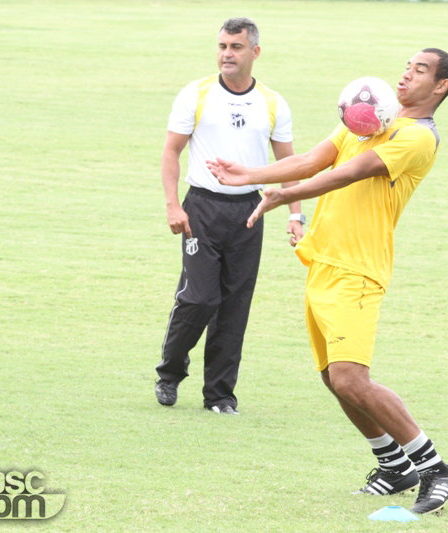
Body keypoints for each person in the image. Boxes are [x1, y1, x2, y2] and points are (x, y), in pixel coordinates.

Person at [207, 48, 448, 512]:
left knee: (351, 379)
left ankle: (436, 469)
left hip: (357, 271)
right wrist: (251, 175)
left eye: (420, 71)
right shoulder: (368, 118)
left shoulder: (419, 138)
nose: (406, 75)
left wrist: (284, 197)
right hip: (323, 264)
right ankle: (393, 464)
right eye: (406, 66)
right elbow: (313, 158)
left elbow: (348, 173)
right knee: (332, 378)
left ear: (440, 86)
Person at [155, 18, 305, 415]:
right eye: (222, 46)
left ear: (254, 52)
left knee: (235, 304)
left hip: (248, 212)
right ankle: (170, 371)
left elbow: (288, 164)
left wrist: (296, 215)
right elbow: (171, 151)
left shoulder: (273, 103)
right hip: (201, 208)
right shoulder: (197, 94)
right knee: (200, 297)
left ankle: (220, 396)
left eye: (236, 47)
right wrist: (173, 204)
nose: (227, 54)